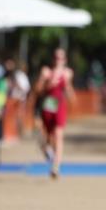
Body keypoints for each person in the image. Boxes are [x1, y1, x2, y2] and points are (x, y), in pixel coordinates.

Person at [35, 48, 75, 178]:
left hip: (60, 105)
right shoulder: (46, 72)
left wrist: (67, 86)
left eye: (61, 58)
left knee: (58, 134)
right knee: (46, 136)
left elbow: (72, 97)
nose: (59, 60)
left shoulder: (68, 73)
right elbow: (37, 90)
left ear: (65, 60)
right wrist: (46, 82)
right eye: (57, 57)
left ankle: (56, 167)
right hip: (48, 105)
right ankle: (49, 153)